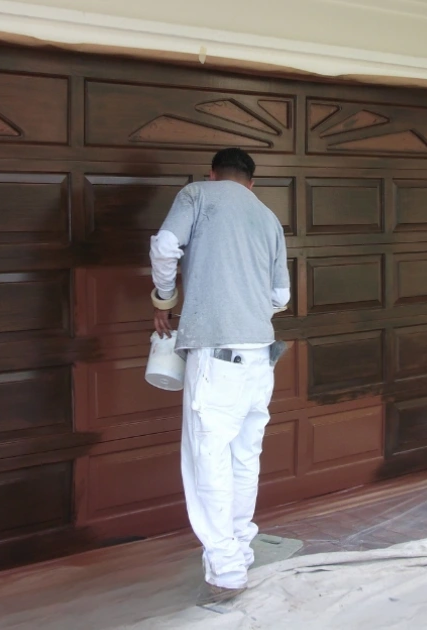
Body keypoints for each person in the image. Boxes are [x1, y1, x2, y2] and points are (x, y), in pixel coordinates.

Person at [149, 148, 291, 603]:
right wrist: (246, 306)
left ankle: (227, 570)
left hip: (216, 358)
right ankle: (239, 548)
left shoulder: (197, 194)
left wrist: (165, 299)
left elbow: (165, 245)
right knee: (245, 456)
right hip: (259, 357)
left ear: (212, 173)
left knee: (207, 457)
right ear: (251, 181)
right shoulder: (267, 217)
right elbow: (280, 296)